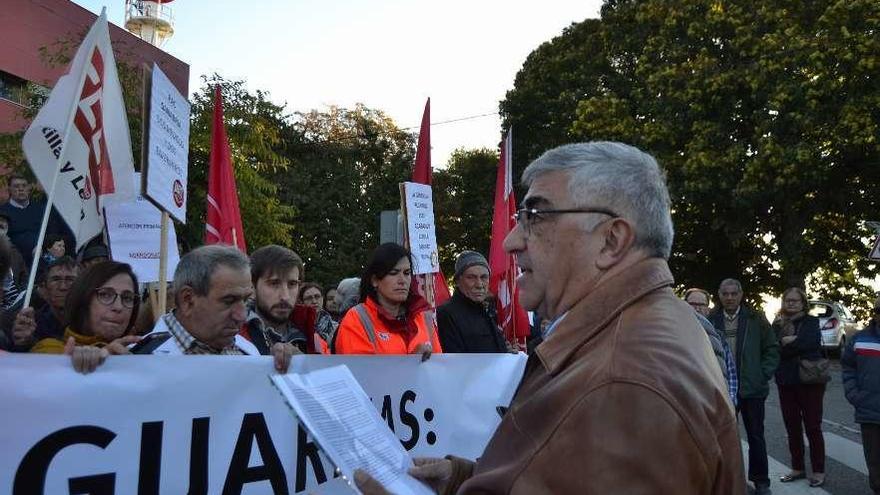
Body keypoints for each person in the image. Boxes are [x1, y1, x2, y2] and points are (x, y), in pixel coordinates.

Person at [355, 142, 744, 494]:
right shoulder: (643, 332)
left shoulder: (623, 382)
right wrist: (463, 479)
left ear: (611, 240)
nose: (511, 241)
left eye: (536, 216)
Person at [136, 245, 296, 372]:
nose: (241, 316)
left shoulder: (248, 351)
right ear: (188, 300)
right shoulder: (133, 361)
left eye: (246, 300)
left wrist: (294, 370)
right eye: (229, 301)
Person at [709, 278, 779, 495]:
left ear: (740, 295)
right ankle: (723, 481)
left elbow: (772, 348)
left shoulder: (755, 318)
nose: (729, 297)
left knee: (756, 435)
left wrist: (762, 374)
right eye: (725, 294)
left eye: (733, 293)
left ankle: (761, 482)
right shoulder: (712, 320)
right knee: (721, 437)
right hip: (722, 387)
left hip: (752, 389)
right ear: (719, 296)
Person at [30, 262, 141, 373]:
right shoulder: (47, 350)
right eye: (105, 295)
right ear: (83, 299)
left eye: (127, 298)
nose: (118, 307)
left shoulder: (141, 355)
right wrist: (68, 366)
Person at [334, 243, 441, 358]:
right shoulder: (356, 319)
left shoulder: (422, 316)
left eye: (407, 273)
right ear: (375, 280)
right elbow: (361, 372)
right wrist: (411, 362)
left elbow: (439, 367)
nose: (402, 280)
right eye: (394, 273)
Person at [772, 287, 826, 487]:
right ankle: (798, 468)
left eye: (796, 300)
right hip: (786, 381)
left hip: (810, 381)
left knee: (813, 427)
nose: (792, 303)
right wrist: (791, 342)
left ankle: (819, 470)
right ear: (783, 302)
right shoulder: (777, 324)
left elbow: (811, 344)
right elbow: (774, 348)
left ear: (803, 303)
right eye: (788, 300)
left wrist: (788, 343)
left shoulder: (811, 322)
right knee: (792, 426)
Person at [239, 245, 326, 354]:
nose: (285, 296)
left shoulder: (312, 338)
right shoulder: (231, 336)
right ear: (253, 286)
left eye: (292, 284)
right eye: (274, 283)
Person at [842, 296, 880, 494]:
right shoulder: (860, 339)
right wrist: (855, 394)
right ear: (875, 313)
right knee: (874, 461)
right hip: (869, 410)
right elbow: (848, 367)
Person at [436, 250, 508, 353]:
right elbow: (453, 361)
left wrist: (506, 352)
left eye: (484, 277)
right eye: (471, 277)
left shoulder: (486, 311)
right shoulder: (446, 314)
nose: (479, 284)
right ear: (457, 281)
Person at [8, 256, 79, 351]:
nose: (63, 287)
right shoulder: (31, 325)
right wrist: (24, 342)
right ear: (44, 288)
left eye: (70, 280)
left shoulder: (90, 322)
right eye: (56, 279)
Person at [0, 174, 71, 266]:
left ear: (29, 187)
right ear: (9, 189)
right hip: (15, 262)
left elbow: (53, 234)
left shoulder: (42, 210)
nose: (21, 189)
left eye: (24, 186)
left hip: (44, 261)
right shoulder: (2, 213)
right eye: (16, 186)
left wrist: (44, 247)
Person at [685, 287, 738, 406]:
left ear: (708, 309)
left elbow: (730, 374)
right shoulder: (673, 335)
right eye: (692, 304)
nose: (697, 308)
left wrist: (730, 403)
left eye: (701, 305)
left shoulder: (718, 338)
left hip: (712, 404)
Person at [299, 282, 338, 346]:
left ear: (322, 298)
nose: (314, 301)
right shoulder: (297, 327)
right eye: (309, 298)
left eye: (317, 297)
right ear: (302, 302)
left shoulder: (335, 327)